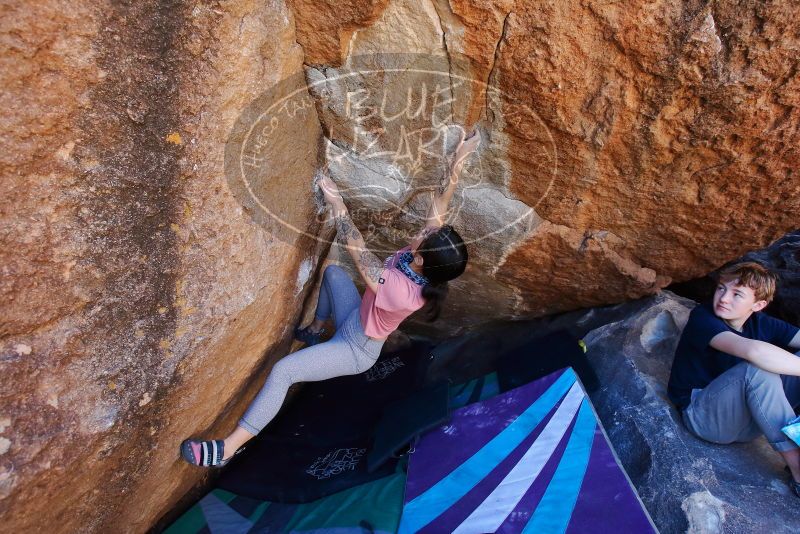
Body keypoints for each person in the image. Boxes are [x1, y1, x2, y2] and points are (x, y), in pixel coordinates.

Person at [179, 129, 481, 467]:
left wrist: (338, 203)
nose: (423, 229)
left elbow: (357, 248)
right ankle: (316, 328)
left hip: (355, 350)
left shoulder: (402, 292)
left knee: (283, 372)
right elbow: (441, 202)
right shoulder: (424, 261)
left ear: (424, 259)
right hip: (354, 320)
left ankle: (227, 449)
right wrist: (460, 157)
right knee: (334, 275)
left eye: (426, 235)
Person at [667, 261, 800, 496]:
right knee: (757, 369)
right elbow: (754, 352)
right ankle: (798, 470)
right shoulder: (703, 318)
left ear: (758, 305)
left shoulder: (761, 323)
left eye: (737, 294)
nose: (724, 298)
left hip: (751, 420)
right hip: (705, 418)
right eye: (721, 288)